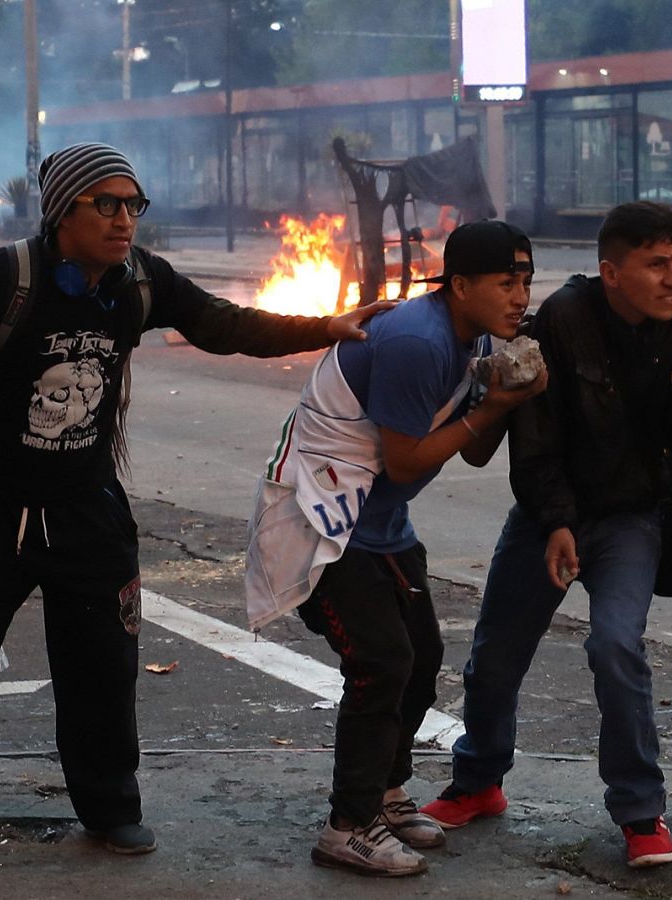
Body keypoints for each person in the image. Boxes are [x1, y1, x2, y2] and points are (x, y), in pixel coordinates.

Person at [0, 143, 389, 878]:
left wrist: (324, 327)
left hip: (85, 508)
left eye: (132, 204)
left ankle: (110, 807)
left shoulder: (141, 282)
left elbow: (225, 325)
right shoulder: (1, 281)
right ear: (62, 212)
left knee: (103, 667)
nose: (123, 220)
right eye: (105, 204)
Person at [419, 202, 672, 869]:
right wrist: (555, 523)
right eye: (655, 264)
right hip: (548, 515)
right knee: (494, 657)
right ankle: (478, 781)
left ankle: (641, 814)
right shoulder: (563, 317)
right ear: (612, 271)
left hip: (632, 518)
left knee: (617, 648)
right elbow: (535, 439)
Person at [243, 219, 547, 878]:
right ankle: (347, 827)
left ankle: (383, 794)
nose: (521, 294)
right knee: (382, 662)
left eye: (526, 279)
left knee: (422, 655)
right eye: (506, 281)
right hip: (325, 516)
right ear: (459, 284)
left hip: (381, 524)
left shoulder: (479, 338)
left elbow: (468, 447)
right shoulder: (419, 341)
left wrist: (505, 397)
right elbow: (407, 461)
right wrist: (494, 407)